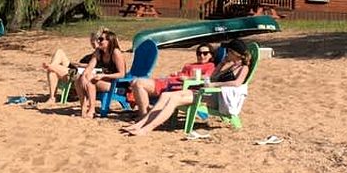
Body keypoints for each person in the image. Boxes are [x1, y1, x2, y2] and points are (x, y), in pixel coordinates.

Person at [123, 39, 251, 136]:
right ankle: (141, 123)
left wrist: (214, 85)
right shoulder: (229, 65)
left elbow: (237, 83)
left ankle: (147, 129)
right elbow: (212, 77)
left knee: (174, 100)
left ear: (236, 54)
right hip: (208, 93)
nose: (226, 54)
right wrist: (221, 65)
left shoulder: (243, 68)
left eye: (229, 51)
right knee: (166, 95)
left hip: (217, 98)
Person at [128, 43, 218, 116]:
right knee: (135, 81)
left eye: (205, 53)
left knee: (139, 83)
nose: (201, 55)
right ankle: (145, 113)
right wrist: (177, 74)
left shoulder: (211, 66)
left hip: (174, 88)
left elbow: (206, 77)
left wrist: (188, 78)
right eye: (199, 53)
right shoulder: (189, 65)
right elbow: (182, 74)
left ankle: (144, 115)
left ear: (211, 55)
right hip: (166, 82)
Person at [78, 29, 128, 119]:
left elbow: (122, 74)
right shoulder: (98, 52)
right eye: (98, 39)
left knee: (90, 82)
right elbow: (89, 67)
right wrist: (83, 77)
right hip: (104, 80)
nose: (98, 41)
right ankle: (83, 108)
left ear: (109, 41)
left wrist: (103, 76)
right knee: (79, 80)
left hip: (117, 83)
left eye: (101, 39)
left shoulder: (115, 53)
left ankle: (92, 110)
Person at [41, 30, 104, 102]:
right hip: (75, 70)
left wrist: (81, 65)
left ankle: (52, 97)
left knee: (52, 69)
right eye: (92, 42)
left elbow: (97, 67)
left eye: (94, 42)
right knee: (59, 52)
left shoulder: (102, 56)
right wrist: (77, 64)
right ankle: (52, 96)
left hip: (78, 74)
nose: (93, 45)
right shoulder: (91, 56)